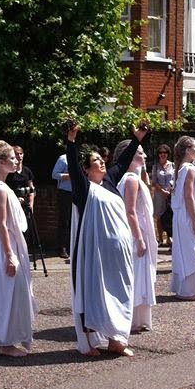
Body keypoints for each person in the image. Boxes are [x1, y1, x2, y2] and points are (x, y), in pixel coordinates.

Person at [66, 120, 148, 356]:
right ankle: (90, 343)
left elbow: (122, 162)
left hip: (119, 256)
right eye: (95, 161)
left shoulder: (110, 181)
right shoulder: (84, 189)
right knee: (95, 294)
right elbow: (72, 167)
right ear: (86, 169)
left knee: (120, 294)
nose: (102, 162)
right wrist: (70, 142)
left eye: (102, 160)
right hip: (96, 256)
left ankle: (116, 340)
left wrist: (137, 139)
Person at [0, 140, 36, 357]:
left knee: (1, 293)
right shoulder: (0, 189)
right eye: (11, 158)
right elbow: (1, 224)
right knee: (11, 293)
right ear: (1, 162)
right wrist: (10, 255)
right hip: (6, 247)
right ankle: (6, 343)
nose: (16, 160)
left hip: (3, 246)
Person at [116, 142, 158, 332]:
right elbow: (130, 211)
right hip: (136, 232)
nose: (145, 156)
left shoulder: (132, 178)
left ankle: (138, 318)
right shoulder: (131, 179)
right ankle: (131, 319)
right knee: (136, 275)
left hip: (140, 230)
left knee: (139, 274)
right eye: (140, 153)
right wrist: (139, 238)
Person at [170, 136, 195, 301]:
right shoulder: (190, 169)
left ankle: (187, 288)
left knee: (187, 251)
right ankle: (187, 290)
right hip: (190, 214)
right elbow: (189, 197)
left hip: (183, 214)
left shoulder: (182, 168)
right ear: (188, 150)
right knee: (192, 251)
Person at [150, 144, 174, 245]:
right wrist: (162, 191)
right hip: (160, 194)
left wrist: (169, 189)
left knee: (170, 215)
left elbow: (175, 178)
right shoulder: (156, 167)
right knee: (159, 216)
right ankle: (160, 239)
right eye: (160, 153)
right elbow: (154, 182)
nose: (162, 154)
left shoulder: (173, 165)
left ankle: (170, 238)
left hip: (170, 194)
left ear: (168, 154)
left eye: (165, 153)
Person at [51, 149, 72, 259]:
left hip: (77, 192)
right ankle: (62, 247)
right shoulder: (63, 158)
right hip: (65, 192)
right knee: (65, 220)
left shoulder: (82, 158)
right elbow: (54, 175)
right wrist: (68, 176)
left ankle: (72, 246)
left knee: (76, 219)